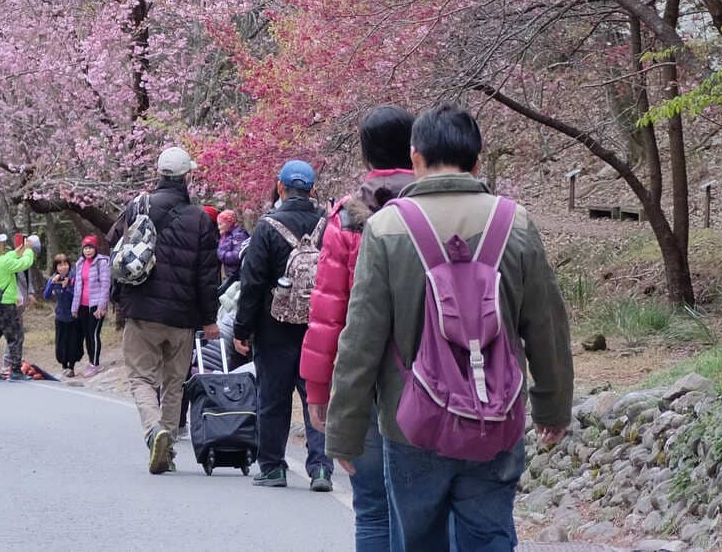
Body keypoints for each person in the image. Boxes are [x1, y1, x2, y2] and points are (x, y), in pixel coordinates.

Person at [327, 107, 573, 552]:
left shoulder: (385, 229)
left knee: (417, 540)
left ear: (416, 158)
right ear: (477, 162)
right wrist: (552, 408)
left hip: (412, 424)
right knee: (490, 535)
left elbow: (360, 341)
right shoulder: (515, 223)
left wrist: (344, 429)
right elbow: (547, 326)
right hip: (496, 417)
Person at [305, 104, 418, 552]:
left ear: (367, 154)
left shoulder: (347, 216)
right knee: (422, 505)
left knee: (371, 506)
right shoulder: (432, 207)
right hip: (427, 375)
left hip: (364, 375)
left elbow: (329, 311)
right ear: (415, 149)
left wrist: (318, 389)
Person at [109, 144, 219, 474]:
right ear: (187, 177)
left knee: (142, 378)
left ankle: (153, 429)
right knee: (175, 382)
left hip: (142, 309)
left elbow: (116, 248)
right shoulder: (200, 219)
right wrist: (209, 319)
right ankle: (168, 443)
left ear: (159, 174)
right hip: (182, 317)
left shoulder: (137, 207)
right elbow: (208, 275)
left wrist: (120, 298)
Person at [235, 159, 331, 490]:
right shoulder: (327, 224)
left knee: (273, 397)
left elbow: (252, 283)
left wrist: (242, 329)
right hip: (318, 324)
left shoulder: (267, 227)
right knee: (316, 395)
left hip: (273, 325)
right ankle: (320, 469)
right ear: (312, 190)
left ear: (280, 187)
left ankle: (273, 467)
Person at [0, 229, 36, 381]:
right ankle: (16, 371)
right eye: (1, 242)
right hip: (5, 304)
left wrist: (19, 250)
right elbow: (25, 263)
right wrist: (29, 251)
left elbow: (7, 257)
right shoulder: (3, 262)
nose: (3, 244)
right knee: (16, 337)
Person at [74, 234, 111, 368]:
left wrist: (102, 306)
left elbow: (105, 285)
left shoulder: (101, 262)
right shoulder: (80, 263)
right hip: (83, 305)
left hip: (96, 305)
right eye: (85, 248)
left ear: (95, 248)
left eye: (90, 248)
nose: (88, 251)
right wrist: (74, 307)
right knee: (87, 335)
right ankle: (91, 361)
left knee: (94, 334)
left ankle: (95, 364)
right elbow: (78, 286)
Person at [48, 252, 83, 376]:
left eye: (65, 264)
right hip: (60, 316)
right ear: (56, 267)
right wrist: (53, 283)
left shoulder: (74, 278)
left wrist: (66, 287)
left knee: (73, 342)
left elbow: (77, 295)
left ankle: (71, 367)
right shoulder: (54, 278)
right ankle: (63, 365)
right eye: (60, 265)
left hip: (73, 316)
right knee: (61, 342)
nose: (63, 267)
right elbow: (46, 295)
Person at [216, 206, 250, 275]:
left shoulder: (239, 235)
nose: (219, 227)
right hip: (231, 272)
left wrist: (222, 254)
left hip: (238, 273)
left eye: (221, 224)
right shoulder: (226, 235)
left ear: (228, 223)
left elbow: (238, 255)